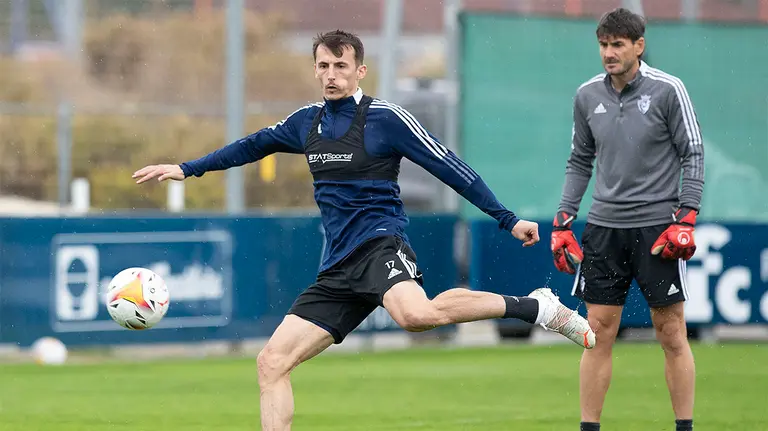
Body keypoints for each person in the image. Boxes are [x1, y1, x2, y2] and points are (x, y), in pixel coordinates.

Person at [134, 30, 596, 430]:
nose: (331, 73)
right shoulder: (305, 123)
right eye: (323, 65)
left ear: (360, 71)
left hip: (380, 242)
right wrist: (186, 168)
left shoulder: (385, 119)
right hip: (337, 266)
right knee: (271, 363)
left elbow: (449, 167)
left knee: (416, 317)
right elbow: (253, 145)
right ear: (315, 70)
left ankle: (535, 307)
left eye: (340, 65)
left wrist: (507, 218)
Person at [550, 8, 704, 431]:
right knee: (596, 331)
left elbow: (693, 152)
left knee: (670, 331)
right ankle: (589, 427)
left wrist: (686, 217)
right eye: (603, 44)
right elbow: (580, 160)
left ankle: (684, 427)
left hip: (658, 228)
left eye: (618, 44)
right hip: (603, 228)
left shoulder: (669, 89)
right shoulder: (586, 96)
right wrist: (563, 222)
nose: (609, 53)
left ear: (639, 45)